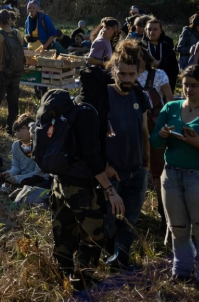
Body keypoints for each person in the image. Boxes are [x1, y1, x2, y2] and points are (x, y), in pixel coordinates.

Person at [43, 89, 125, 291]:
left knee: (63, 230)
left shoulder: (69, 109)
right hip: (80, 186)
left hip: (58, 181)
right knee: (93, 236)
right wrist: (110, 190)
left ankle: (62, 276)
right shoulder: (87, 113)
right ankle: (81, 281)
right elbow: (91, 156)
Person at [152, 66, 199, 286]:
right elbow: (155, 142)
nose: (188, 89)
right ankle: (181, 270)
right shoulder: (170, 107)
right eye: (185, 84)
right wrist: (162, 135)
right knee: (177, 227)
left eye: (195, 85)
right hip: (171, 176)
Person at [101, 41, 150, 270]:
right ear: (113, 70)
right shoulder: (103, 96)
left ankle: (121, 260)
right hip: (113, 171)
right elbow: (92, 138)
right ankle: (107, 256)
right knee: (109, 218)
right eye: (122, 73)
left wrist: (146, 165)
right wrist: (106, 166)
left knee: (130, 219)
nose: (128, 79)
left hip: (137, 169)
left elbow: (144, 131)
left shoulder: (139, 95)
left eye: (132, 74)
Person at [0, 114, 49, 188]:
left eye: (19, 130)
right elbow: (16, 167)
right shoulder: (16, 145)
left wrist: (16, 179)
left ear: (30, 129)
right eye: (15, 131)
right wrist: (8, 174)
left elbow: (38, 173)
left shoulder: (40, 146)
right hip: (22, 178)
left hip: (37, 179)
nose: (16, 134)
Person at [145, 18, 179, 91]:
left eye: (155, 29)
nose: (151, 32)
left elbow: (174, 69)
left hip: (165, 85)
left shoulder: (167, 47)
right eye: (149, 29)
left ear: (160, 31)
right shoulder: (141, 46)